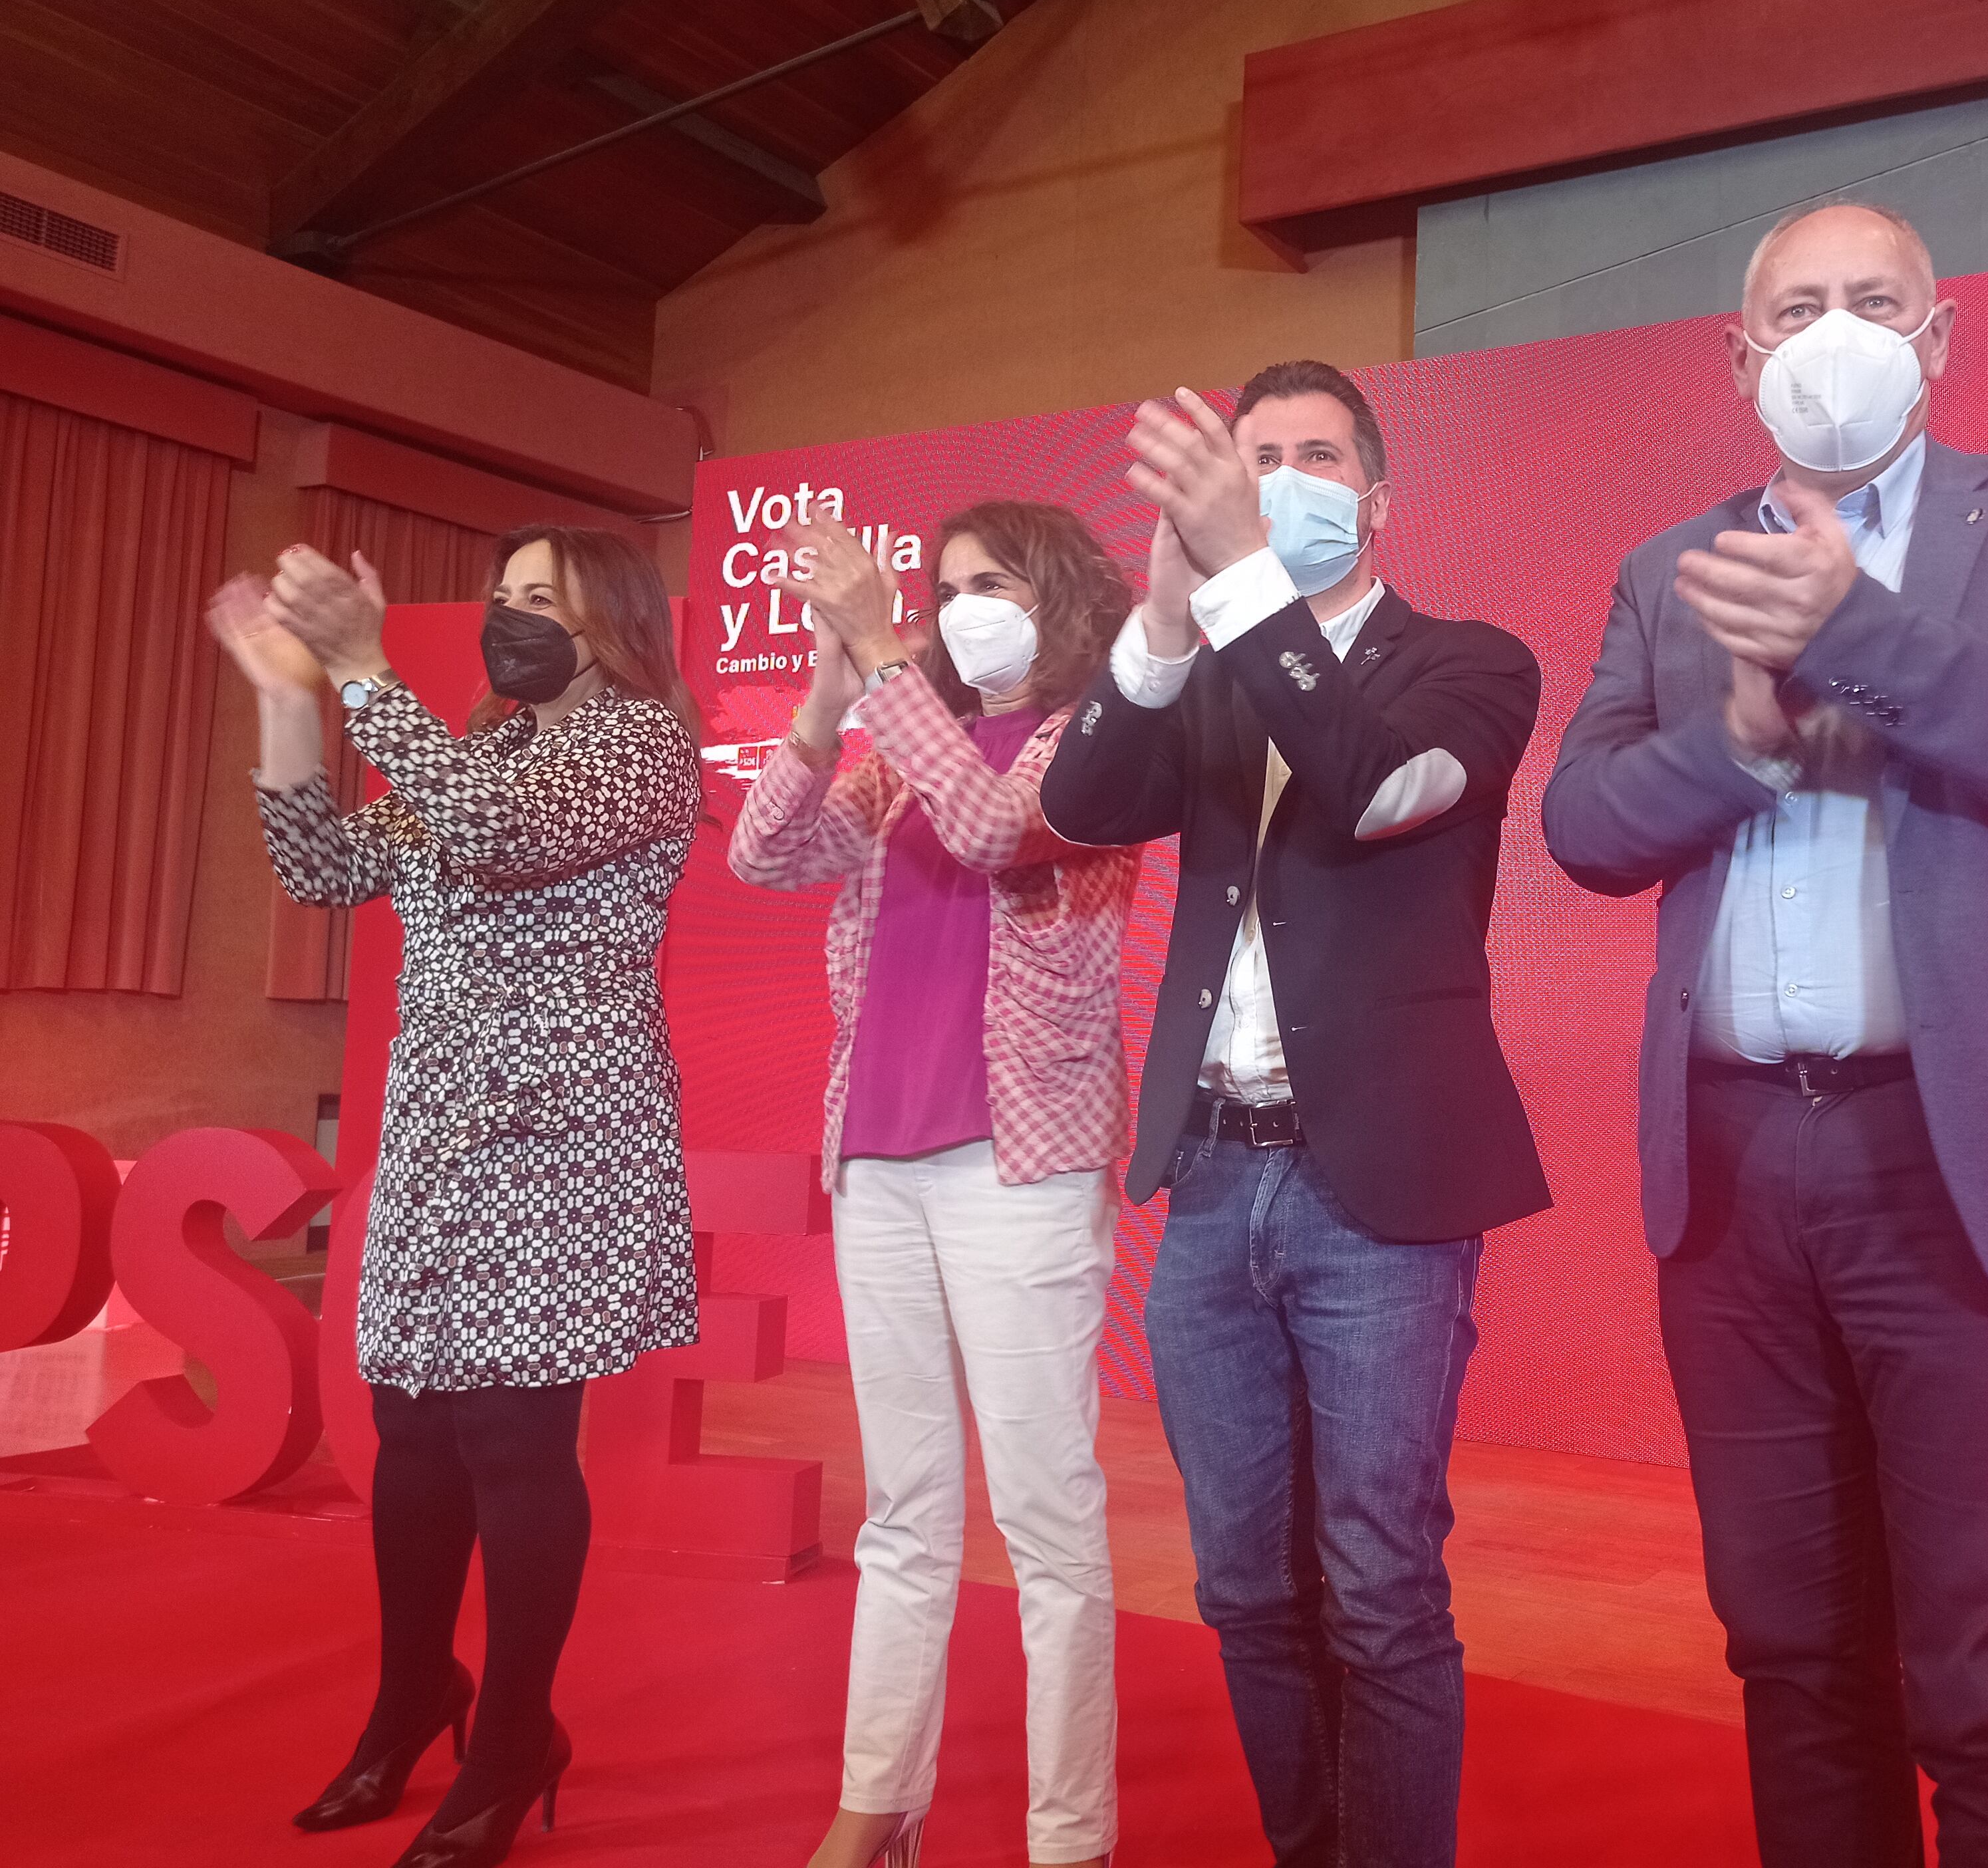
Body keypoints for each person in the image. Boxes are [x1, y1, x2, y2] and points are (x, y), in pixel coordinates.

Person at [1541, 203, 1988, 1868]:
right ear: (1739, 353)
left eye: (1871, 301)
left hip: (1980, 1160)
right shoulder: (1663, 570)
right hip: (1737, 1174)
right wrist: (1745, 745)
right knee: (1792, 1659)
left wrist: (1859, 631)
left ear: (1936, 336)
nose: (1831, 332)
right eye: (1794, 307)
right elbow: (1584, 820)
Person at [1040, 362, 1553, 1868]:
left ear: (1376, 498)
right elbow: (1078, 802)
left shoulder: (1470, 659)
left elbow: (1375, 784)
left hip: (1374, 1188)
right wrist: (1153, 617)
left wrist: (1244, 587)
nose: (1272, 478)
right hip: (1208, 1174)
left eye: (1311, 455)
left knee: (1379, 1578)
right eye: (1250, 459)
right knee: (1244, 1585)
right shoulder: (1199, 665)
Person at [210, 525, 704, 1868]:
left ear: (612, 621)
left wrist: (369, 670)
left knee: (510, 1436)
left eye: (539, 599)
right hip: (437, 1126)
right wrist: (283, 689)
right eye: (501, 595)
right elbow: (320, 864)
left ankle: (511, 1740)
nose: (508, 618)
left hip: (559, 1132)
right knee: (412, 1425)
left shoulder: (644, 747)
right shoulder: (472, 750)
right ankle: (412, 1694)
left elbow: (496, 842)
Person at [730, 501, 1140, 1868]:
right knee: (903, 1507)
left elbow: (994, 829)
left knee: (1045, 1514)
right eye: (946, 584)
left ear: (1062, 599)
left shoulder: (1100, 734)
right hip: (881, 1155)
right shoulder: (901, 747)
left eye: (992, 583)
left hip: (1021, 1160)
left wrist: (878, 646)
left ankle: (1068, 1835)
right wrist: (823, 692)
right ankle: (877, 1801)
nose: (961, 605)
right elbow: (765, 854)